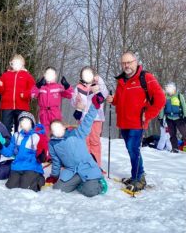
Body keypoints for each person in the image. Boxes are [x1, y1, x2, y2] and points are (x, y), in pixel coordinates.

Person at [107, 52, 165, 192]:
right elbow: (121, 100)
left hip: (137, 123)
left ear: (135, 62)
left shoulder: (146, 78)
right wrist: (113, 100)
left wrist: (149, 114)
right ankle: (135, 176)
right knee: (131, 150)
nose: (126, 65)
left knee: (134, 150)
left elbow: (161, 99)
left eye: (129, 62)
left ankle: (139, 178)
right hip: (123, 122)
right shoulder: (121, 80)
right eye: (124, 63)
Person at [46, 97, 106, 197]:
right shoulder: (52, 143)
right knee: (58, 188)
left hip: (87, 167)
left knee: (91, 192)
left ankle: (97, 182)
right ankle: (80, 183)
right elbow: (56, 161)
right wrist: (54, 176)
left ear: (63, 127)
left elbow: (88, 120)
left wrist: (94, 106)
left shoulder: (76, 133)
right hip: (72, 171)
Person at [0, 111, 47, 192]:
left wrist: (42, 156)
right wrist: (0, 147)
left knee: (26, 187)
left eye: (27, 121)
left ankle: (39, 178)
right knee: (10, 186)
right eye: (22, 121)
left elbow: (44, 151)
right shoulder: (16, 136)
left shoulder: (37, 137)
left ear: (31, 123)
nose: (24, 123)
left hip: (31, 167)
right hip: (17, 166)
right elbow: (9, 152)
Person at [71, 67, 109, 166]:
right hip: (83, 118)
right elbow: (73, 101)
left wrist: (99, 79)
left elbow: (105, 94)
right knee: (84, 141)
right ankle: (86, 164)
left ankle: (96, 165)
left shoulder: (98, 85)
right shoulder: (79, 87)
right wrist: (76, 101)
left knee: (94, 141)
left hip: (96, 117)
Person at [0, 55, 36, 133]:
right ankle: (7, 144)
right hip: (7, 106)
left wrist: (25, 94)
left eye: (18, 63)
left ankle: (18, 143)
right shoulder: (5, 75)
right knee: (5, 127)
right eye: (14, 63)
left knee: (20, 128)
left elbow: (33, 90)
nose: (16, 65)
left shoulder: (27, 76)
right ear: (11, 64)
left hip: (22, 106)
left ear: (22, 64)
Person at [31, 67, 73, 136]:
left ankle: (56, 145)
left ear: (55, 76)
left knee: (56, 131)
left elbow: (70, 95)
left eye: (51, 74)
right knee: (45, 132)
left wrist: (66, 85)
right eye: (47, 74)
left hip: (55, 112)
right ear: (44, 75)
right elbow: (32, 95)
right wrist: (38, 86)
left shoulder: (58, 87)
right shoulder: (41, 87)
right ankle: (47, 146)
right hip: (44, 113)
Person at [159, 82, 186, 153]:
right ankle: (175, 149)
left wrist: (185, 116)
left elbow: (184, 106)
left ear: (174, 89)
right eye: (168, 88)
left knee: (184, 133)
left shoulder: (179, 96)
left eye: (170, 88)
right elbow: (162, 108)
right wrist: (161, 118)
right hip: (169, 119)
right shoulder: (165, 97)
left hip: (179, 118)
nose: (169, 90)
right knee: (172, 135)